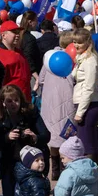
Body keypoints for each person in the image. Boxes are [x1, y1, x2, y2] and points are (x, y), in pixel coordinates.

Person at [0, 85, 50, 196]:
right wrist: (7, 137)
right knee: (9, 193)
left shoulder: (30, 112)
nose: (13, 104)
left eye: (16, 100)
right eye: (9, 101)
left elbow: (46, 135)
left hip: (29, 162)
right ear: (3, 102)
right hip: (8, 162)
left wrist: (34, 137)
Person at [39, 47, 76, 181]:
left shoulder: (49, 60)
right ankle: (64, 166)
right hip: (68, 102)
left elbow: (41, 79)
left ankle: (55, 170)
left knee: (53, 136)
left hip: (50, 102)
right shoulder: (72, 60)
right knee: (67, 135)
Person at [71, 28, 98, 166]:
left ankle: (91, 174)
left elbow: (89, 88)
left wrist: (80, 112)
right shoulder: (82, 58)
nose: (76, 45)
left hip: (88, 106)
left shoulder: (90, 60)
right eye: (74, 42)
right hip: (84, 104)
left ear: (87, 42)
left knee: (87, 145)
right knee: (90, 142)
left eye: (79, 42)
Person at [0, 21, 32, 106]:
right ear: (3, 35)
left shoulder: (20, 53)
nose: (17, 35)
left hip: (22, 103)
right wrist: (3, 101)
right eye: (14, 32)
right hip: (6, 106)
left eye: (18, 33)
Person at [19, 11, 42, 85]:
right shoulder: (30, 38)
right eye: (36, 21)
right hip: (29, 75)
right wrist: (36, 75)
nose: (37, 23)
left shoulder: (18, 35)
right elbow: (28, 56)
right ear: (30, 22)